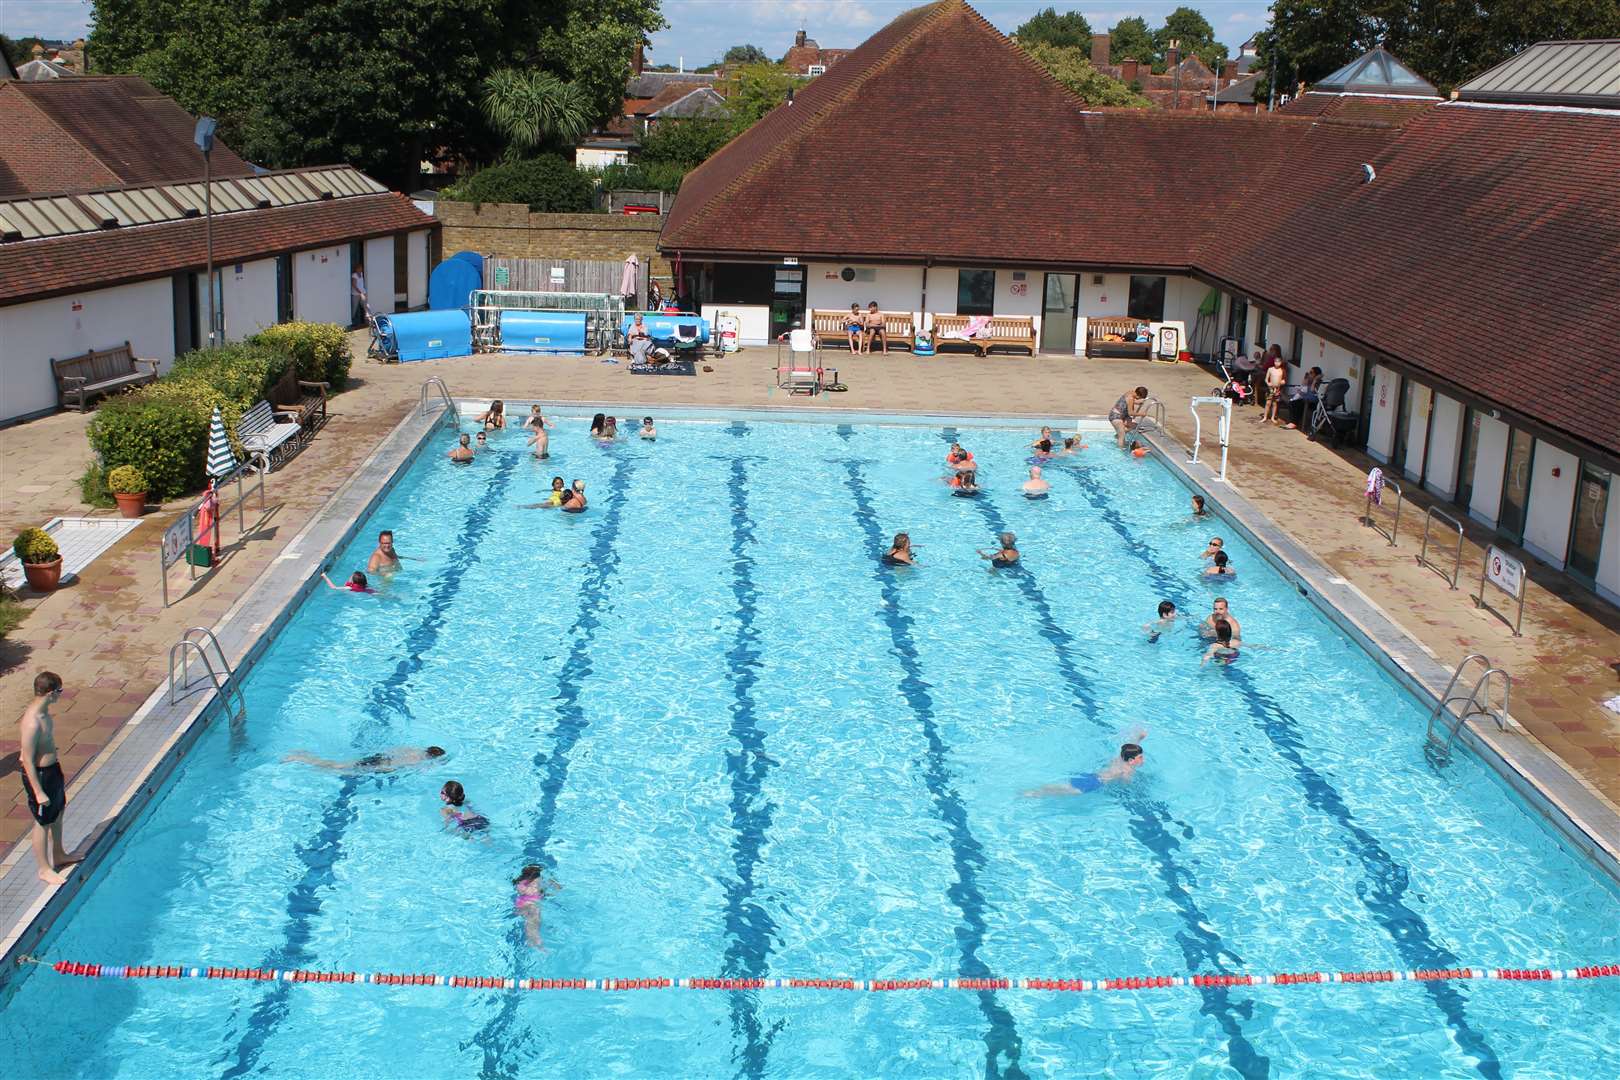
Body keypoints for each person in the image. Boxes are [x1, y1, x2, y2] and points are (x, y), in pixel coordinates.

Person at [19, 672, 73, 885]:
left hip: (52, 771)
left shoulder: (45, 713)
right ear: (51, 693)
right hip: (39, 777)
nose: (61, 695)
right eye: (60, 691)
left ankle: (59, 854)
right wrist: (38, 792)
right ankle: (44, 869)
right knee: (42, 822)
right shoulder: (32, 723)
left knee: (58, 811)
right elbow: (26, 760)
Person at [1024, 734, 1147, 797]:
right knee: (1067, 791)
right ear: (1131, 760)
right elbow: (1126, 787)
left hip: (1090, 776)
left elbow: (1128, 745)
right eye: (1140, 757)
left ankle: (1038, 790)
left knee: (1064, 786)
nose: (1143, 760)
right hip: (1094, 783)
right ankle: (1034, 793)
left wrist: (1138, 738)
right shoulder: (1127, 771)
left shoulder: (1119, 758)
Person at [284, 746, 446, 772]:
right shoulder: (418, 760)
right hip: (377, 764)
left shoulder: (413, 748)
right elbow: (394, 767)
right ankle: (300, 757)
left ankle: (303, 757)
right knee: (338, 767)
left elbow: (391, 751)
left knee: (338, 768)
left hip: (376, 757)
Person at [513, 864, 562, 948]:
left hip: (533, 904)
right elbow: (519, 887)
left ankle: (534, 937)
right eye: (531, 885)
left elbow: (558, 888)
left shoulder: (540, 884)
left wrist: (551, 881)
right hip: (523, 905)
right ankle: (534, 938)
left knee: (535, 914)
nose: (535, 888)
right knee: (534, 912)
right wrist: (528, 887)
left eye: (537, 884)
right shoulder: (522, 884)